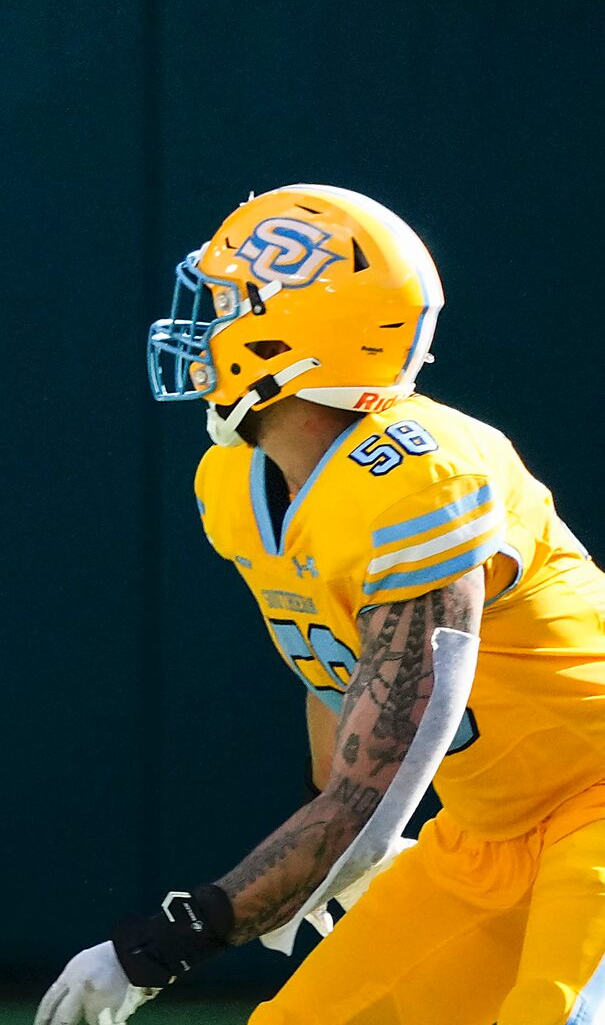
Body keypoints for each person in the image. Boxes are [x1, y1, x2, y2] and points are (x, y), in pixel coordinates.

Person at [39, 185, 605, 1025]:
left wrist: (171, 936)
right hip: (484, 834)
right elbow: (335, 681)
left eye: (228, 303)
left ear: (292, 334)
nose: (201, 326)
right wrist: (331, 860)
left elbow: (372, 788)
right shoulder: (233, 482)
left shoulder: (421, 478)